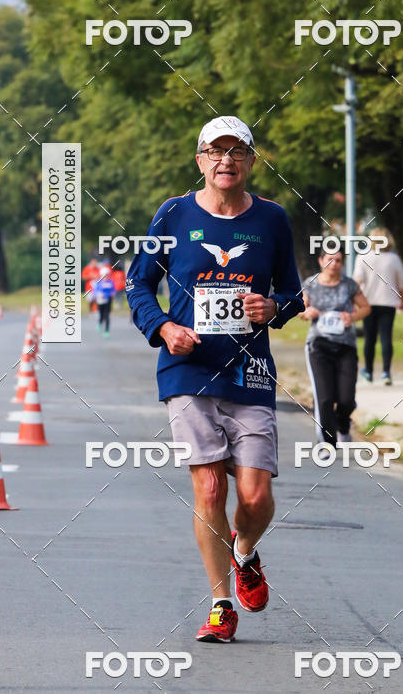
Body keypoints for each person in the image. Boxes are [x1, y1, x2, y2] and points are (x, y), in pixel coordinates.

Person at [126, 115, 303, 644]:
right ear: (200, 160)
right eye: (214, 151)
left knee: (254, 497)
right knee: (208, 486)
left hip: (249, 372)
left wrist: (273, 306)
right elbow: (138, 283)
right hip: (188, 371)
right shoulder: (174, 214)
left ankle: (244, 551)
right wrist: (163, 327)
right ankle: (220, 604)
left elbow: (292, 294)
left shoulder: (272, 219)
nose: (225, 160)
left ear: (251, 161)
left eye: (237, 151)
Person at [299, 246, 371, 445]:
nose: (334, 264)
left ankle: (343, 422)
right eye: (330, 259)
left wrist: (352, 316)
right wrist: (307, 312)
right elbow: (299, 309)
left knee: (346, 399)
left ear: (342, 264)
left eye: (338, 260)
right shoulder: (311, 284)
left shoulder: (349, 285)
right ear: (321, 261)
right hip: (318, 346)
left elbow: (366, 307)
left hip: (345, 346)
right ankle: (327, 443)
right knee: (324, 397)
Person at [353, 229, 403, 385]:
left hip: (368, 303)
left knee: (370, 338)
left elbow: (357, 282)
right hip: (388, 303)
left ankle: (368, 372)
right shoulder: (394, 259)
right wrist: (402, 301)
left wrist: (355, 302)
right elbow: (401, 283)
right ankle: (386, 373)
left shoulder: (363, 257)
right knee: (386, 337)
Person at [90, 265, 116, 337]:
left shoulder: (111, 282)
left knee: (107, 315)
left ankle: (107, 331)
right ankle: (100, 323)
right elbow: (94, 291)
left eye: (107, 275)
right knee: (101, 314)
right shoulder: (98, 282)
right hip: (100, 301)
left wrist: (113, 293)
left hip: (108, 300)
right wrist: (98, 294)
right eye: (104, 275)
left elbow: (114, 290)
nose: (106, 277)